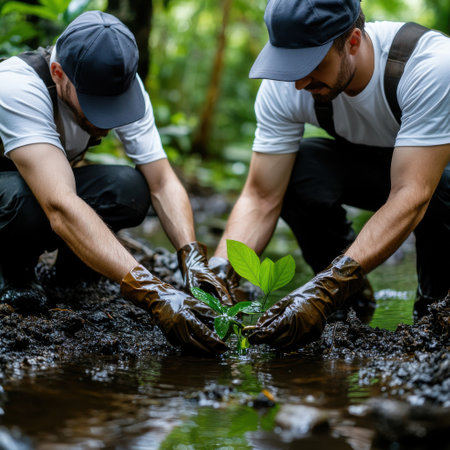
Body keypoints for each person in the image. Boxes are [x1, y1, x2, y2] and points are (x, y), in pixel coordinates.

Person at [210, 0, 450, 350]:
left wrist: (327, 285)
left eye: (311, 64)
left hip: (432, 180)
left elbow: (412, 194)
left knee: (434, 328)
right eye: (289, 65)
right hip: (386, 172)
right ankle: (346, 302)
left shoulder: (430, 66)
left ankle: (432, 307)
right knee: (299, 168)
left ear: (352, 41)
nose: (298, 81)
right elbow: (261, 197)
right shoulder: (289, 83)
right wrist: (218, 276)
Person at [0, 11, 232, 354]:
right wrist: (152, 291)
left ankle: (70, 277)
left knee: (129, 190)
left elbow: (162, 182)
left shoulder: (119, 82)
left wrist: (192, 258)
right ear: (58, 73)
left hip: (40, 190)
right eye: (97, 106)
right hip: (16, 199)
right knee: (27, 201)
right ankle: (12, 272)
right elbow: (60, 205)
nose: (108, 120)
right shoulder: (17, 87)